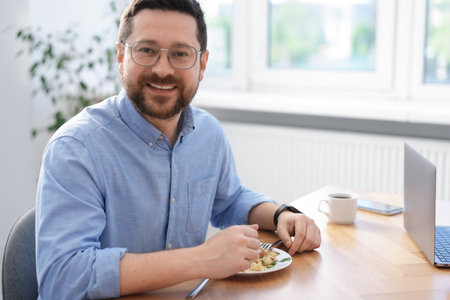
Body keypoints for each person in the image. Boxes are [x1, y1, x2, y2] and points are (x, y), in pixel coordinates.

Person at [35, 0, 321, 298]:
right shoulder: (75, 148)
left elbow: (230, 199)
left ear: (202, 65)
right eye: (146, 50)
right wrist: (202, 259)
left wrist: (280, 215)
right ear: (121, 57)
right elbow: (63, 279)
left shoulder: (207, 133)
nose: (162, 69)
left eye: (180, 54)